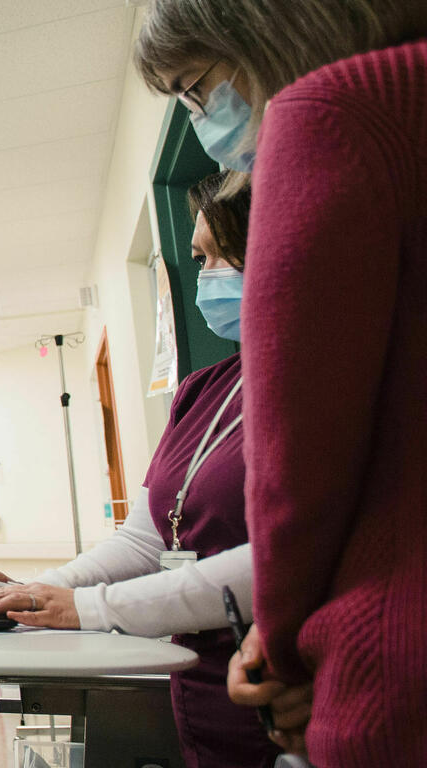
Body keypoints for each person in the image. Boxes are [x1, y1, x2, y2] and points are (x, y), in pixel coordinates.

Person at [134, 2, 427, 763]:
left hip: (389, 663)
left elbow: (299, 478)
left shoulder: (329, 113)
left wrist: (288, 649)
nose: (203, 117)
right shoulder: (205, 389)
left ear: (263, 34)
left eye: (195, 88)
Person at [0, 174, 281, 768]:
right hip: (200, 689)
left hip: (286, 691)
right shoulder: (205, 390)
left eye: (217, 257)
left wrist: (89, 609)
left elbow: (283, 557)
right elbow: (147, 538)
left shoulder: (323, 381)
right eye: (199, 259)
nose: (204, 277)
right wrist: (34, 591)